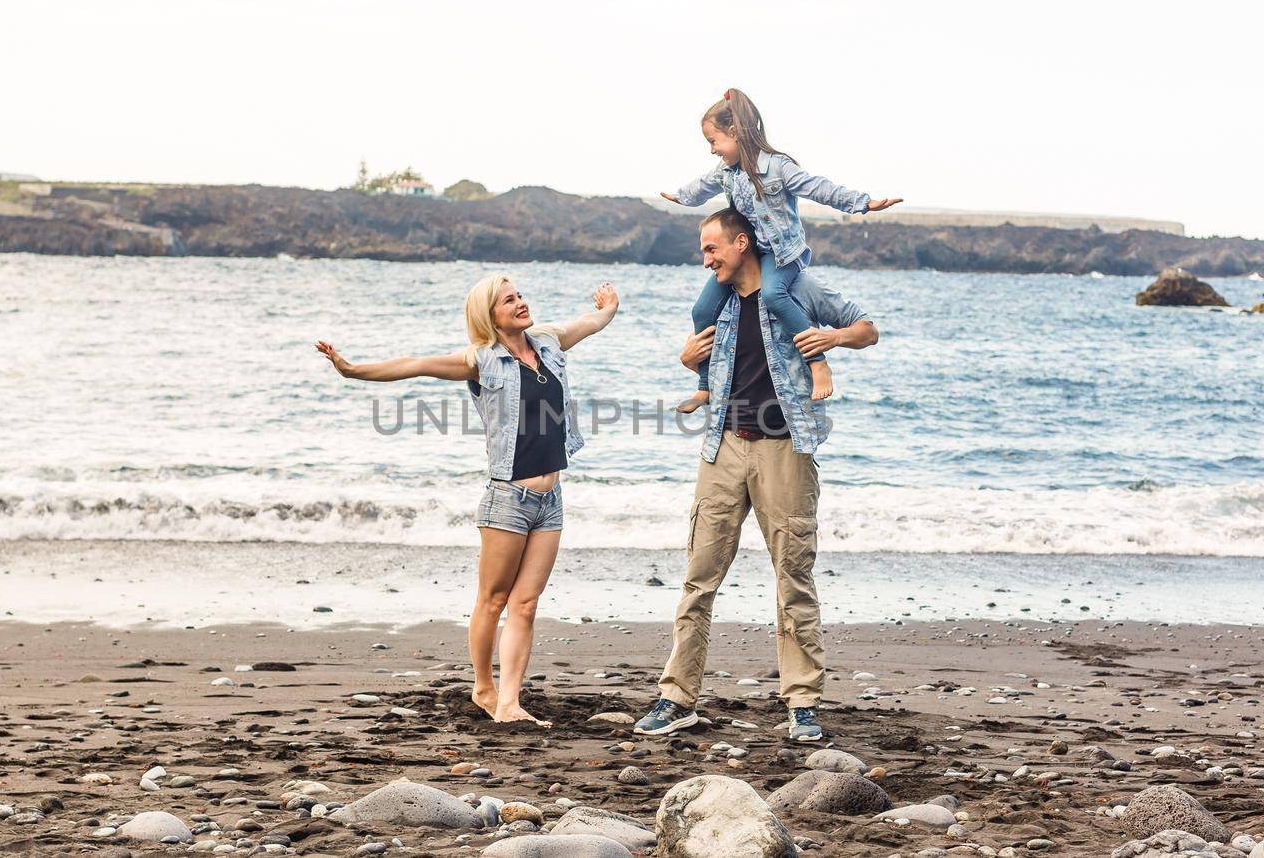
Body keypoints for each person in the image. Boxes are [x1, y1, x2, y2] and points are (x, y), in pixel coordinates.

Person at [315, 276, 619, 725]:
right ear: (489, 315)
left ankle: (511, 703)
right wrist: (352, 369)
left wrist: (609, 307)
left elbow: (589, 323)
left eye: (520, 295)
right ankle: (483, 686)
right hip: (507, 499)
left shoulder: (549, 343)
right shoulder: (482, 362)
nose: (520, 302)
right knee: (493, 600)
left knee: (527, 604)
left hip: (551, 498)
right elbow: (415, 364)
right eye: (508, 300)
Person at [634, 208, 877, 743]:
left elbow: (868, 329)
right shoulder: (716, 300)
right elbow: (701, 359)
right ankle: (676, 699)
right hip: (721, 446)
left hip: (784, 450)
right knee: (699, 578)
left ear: (742, 243)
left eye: (712, 248)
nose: (706, 259)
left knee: (793, 579)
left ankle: (803, 703)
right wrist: (686, 359)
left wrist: (830, 342)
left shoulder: (797, 287)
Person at [663, 87, 900, 413]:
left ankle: (817, 362)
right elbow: (702, 185)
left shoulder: (777, 167)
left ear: (734, 132)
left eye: (714, 141)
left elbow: (817, 187)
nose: (713, 150)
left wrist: (863, 203)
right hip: (750, 254)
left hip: (781, 254)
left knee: (774, 294)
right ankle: (704, 386)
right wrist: (680, 196)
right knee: (701, 312)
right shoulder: (726, 172)